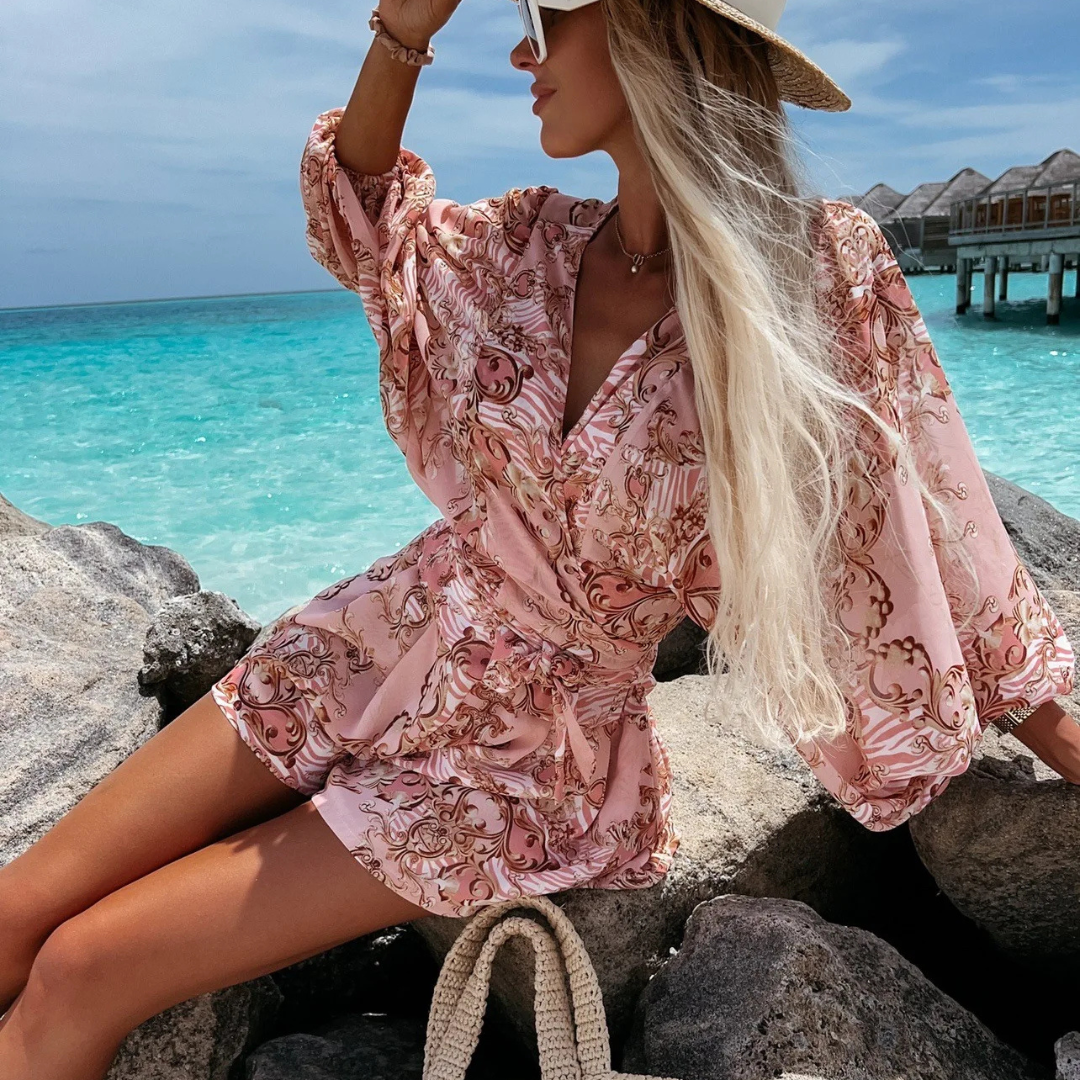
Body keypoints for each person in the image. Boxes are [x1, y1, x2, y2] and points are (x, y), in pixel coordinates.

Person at [1, 0, 1076, 1075]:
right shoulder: (528, 244)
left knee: (83, 968)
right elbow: (360, 216)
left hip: (523, 753)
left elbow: (938, 529)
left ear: (650, 31)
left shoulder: (818, 278)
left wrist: (1058, 736)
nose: (520, 53)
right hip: (376, 635)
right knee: (15, 914)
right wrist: (403, 30)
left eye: (547, 19)